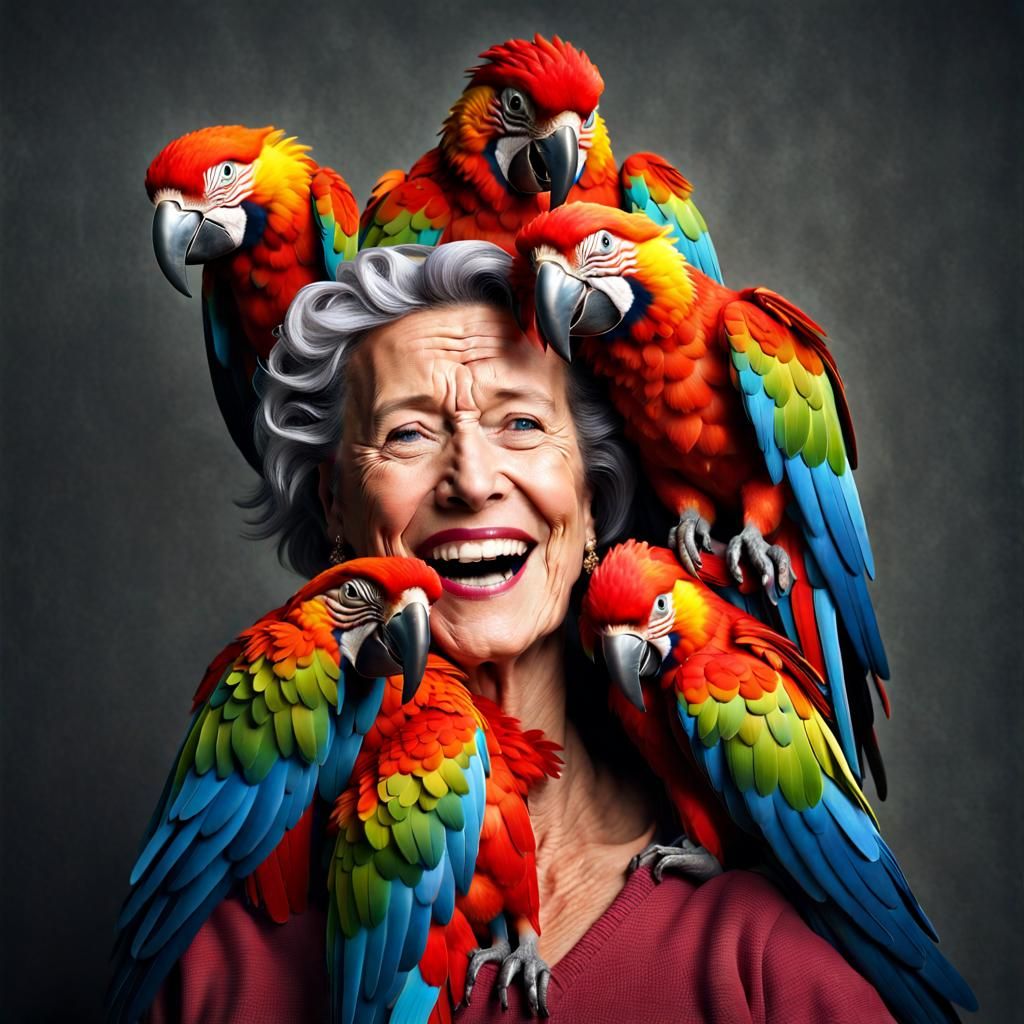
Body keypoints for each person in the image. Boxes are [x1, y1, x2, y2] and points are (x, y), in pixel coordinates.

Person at [150, 242, 895, 1023]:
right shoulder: (228, 962)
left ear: (593, 499)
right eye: (408, 433)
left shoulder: (756, 956)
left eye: (522, 422)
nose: (472, 482)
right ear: (337, 507)